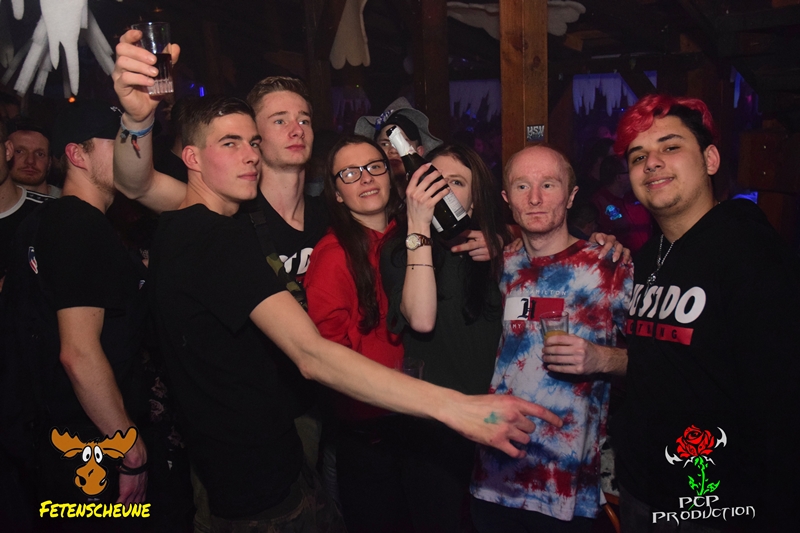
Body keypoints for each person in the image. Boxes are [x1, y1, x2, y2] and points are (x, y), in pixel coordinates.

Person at [112, 33, 563, 531]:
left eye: (304, 118)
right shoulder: (224, 219)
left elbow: (443, 225)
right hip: (263, 437)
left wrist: (504, 237)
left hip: (308, 422)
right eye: (275, 121)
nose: (294, 129)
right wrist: (137, 119)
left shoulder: (329, 218)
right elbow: (134, 183)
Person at [610, 94, 800, 532]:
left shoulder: (752, 255)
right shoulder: (647, 258)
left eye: (670, 147)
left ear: (710, 160)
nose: (652, 163)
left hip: (717, 505)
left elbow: (782, 402)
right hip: (644, 491)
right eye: (638, 156)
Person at [470, 145, 633, 533]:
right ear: (507, 199)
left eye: (548, 184)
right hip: (495, 477)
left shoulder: (608, 266)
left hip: (565, 485)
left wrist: (603, 358)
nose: (535, 198)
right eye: (522, 186)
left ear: (571, 196)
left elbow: (658, 361)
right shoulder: (501, 264)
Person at [1, 100, 149, 522]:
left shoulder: (46, 220)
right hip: (92, 448)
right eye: (118, 141)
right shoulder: (79, 224)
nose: (132, 154)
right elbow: (78, 354)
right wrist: (130, 449)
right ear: (76, 155)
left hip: (57, 442)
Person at [380, 143, 511, 533]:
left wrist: (507, 238)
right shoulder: (399, 250)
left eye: (456, 182)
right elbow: (421, 319)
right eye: (433, 180)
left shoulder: (500, 248)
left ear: (474, 198)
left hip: (496, 421)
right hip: (434, 428)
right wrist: (418, 227)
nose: (442, 190)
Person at [304, 135, 407, 532]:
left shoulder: (412, 237)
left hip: (419, 422)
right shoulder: (334, 255)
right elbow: (329, 355)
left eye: (374, 167)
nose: (365, 178)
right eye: (349, 173)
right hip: (370, 432)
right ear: (337, 193)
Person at [355, 97, 443, 196]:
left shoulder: (432, 194)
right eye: (385, 144)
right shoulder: (368, 195)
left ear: (419, 152)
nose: (393, 150)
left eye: (401, 143)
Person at [0, 125, 51, 291]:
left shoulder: (52, 215)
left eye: (40, 154)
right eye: (21, 151)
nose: (30, 161)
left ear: (7, 150)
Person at [590, 155, 652, 254]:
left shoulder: (636, 195)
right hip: (621, 258)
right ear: (619, 177)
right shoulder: (599, 202)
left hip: (650, 255)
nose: (632, 175)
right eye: (628, 172)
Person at [7, 120, 61, 197]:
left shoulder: (67, 202)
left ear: (49, 162)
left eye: (40, 154)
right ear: (6, 154)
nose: (30, 161)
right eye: (19, 151)